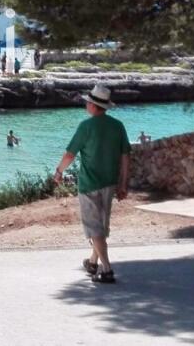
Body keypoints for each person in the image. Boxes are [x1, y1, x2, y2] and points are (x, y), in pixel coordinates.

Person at [53, 85, 130, 284]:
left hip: (89, 185)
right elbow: (125, 156)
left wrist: (59, 171)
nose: (86, 104)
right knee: (101, 226)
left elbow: (70, 154)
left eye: (88, 102)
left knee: (94, 228)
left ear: (94, 106)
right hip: (110, 183)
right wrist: (123, 184)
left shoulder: (85, 126)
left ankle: (107, 270)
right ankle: (93, 262)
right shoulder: (118, 126)